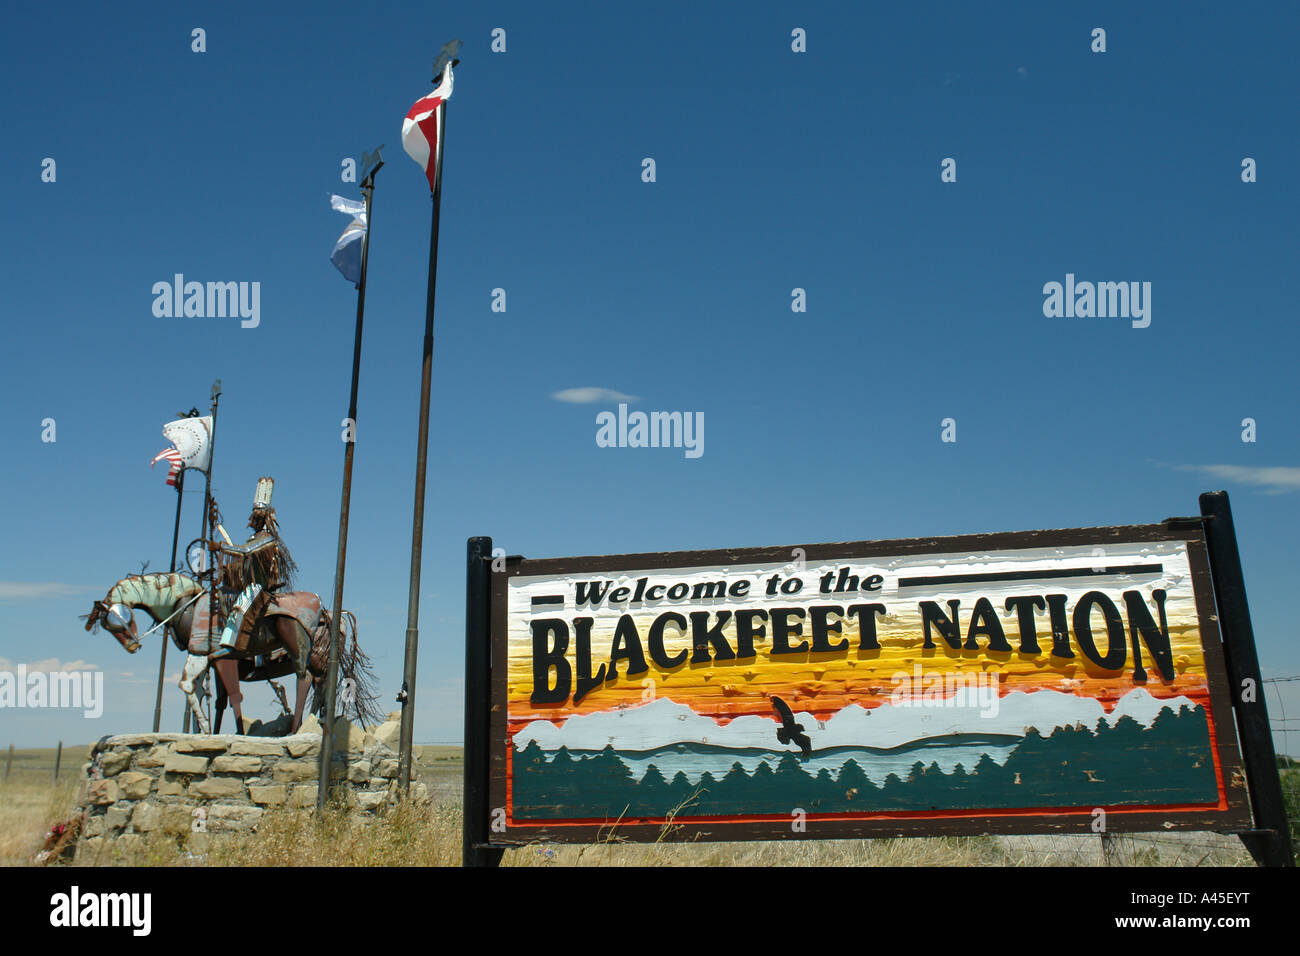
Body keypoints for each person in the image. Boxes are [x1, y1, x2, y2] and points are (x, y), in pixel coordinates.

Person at [212, 477, 298, 659]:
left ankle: (231, 645)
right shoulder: (254, 538)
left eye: (259, 516)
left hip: (258, 587)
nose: (255, 519)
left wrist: (222, 547)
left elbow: (246, 552)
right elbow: (243, 561)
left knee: (241, 608)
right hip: (248, 585)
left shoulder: (267, 538)